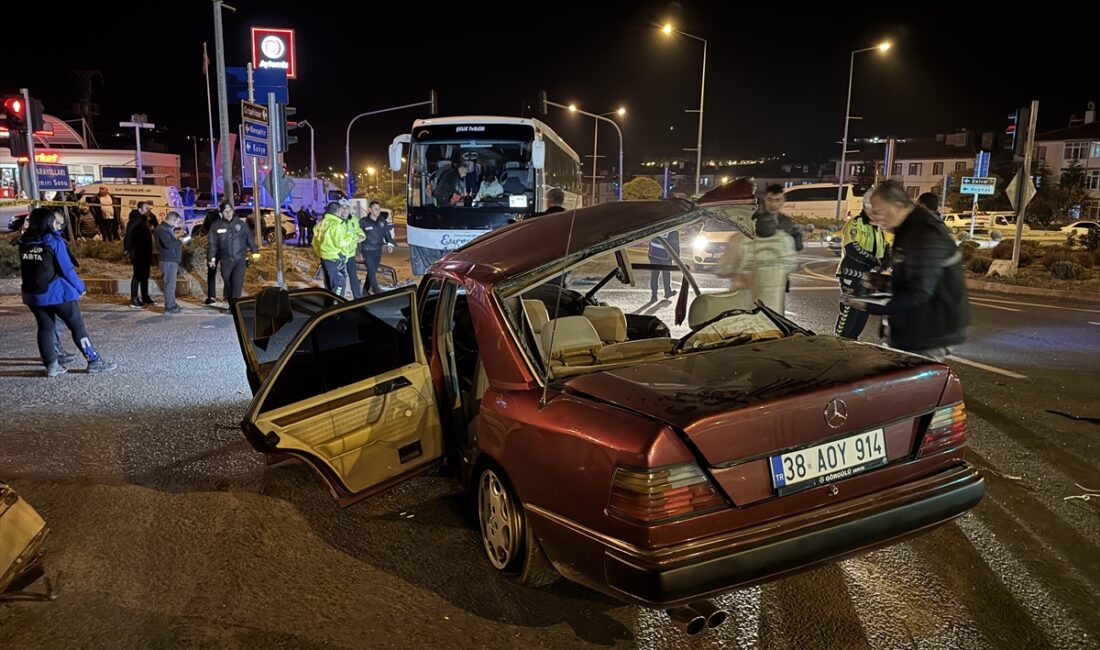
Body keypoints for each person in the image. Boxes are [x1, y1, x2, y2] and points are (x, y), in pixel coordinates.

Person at [844, 180, 969, 361]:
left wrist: (867, 304)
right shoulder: (907, 229)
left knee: (913, 386)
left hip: (931, 332)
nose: (874, 219)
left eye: (878, 212)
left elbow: (919, 292)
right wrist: (883, 282)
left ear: (896, 205)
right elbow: (911, 279)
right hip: (915, 328)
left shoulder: (925, 234)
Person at [18, 207, 116, 377]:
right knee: (78, 327)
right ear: (48, 222)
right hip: (57, 293)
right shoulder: (53, 241)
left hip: (33, 294)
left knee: (45, 328)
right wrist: (81, 287)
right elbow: (67, 269)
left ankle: (52, 366)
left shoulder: (25, 242)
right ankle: (94, 361)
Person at [835, 192, 889, 339]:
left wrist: (886, 260)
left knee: (861, 315)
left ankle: (851, 346)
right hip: (852, 276)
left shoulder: (878, 229)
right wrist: (873, 261)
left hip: (870, 279)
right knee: (848, 315)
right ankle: (839, 346)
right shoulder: (854, 223)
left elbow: (884, 250)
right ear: (866, 206)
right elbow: (852, 248)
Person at [207, 201, 260, 307]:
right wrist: (211, 258)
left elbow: (249, 238)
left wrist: (255, 252)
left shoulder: (240, 224)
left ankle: (235, 307)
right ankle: (229, 298)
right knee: (227, 280)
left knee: (237, 282)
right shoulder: (216, 226)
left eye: (230, 211)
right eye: (225, 211)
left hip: (240, 259)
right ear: (221, 213)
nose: (228, 213)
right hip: (226, 259)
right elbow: (212, 244)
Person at [313, 200, 364, 299]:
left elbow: (315, 242)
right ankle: (336, 307)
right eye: (342, 208)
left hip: (326, 257)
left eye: (346, 208)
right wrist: (352, 236)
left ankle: (331, 305)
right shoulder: (336, 224)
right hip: (335, 257)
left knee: (331, 283)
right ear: (338, 210)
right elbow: (341, 242)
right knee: (339, 283)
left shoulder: (321, 223)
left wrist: (321, 254)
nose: (344, 211)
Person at [359, 200, 397, 296]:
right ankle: (377, 291)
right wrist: (359, 252)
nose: (378, 211)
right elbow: (358, 237)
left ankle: (365, 290)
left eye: (379, 209)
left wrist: (390, 244)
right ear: (370, 209)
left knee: (372, 271)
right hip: (367, 250)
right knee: (371, 271)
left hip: (377, 250)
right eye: (376, 209)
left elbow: (386, 234)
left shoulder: (382, 221)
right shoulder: (363, 222)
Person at [123, 201, 155, 309]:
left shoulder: (143, 220)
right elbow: (128, 236)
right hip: (137, 253)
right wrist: (129, 250)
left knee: (145, 275)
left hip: (145, 252)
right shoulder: (135, 220)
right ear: (140, 209)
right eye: (146, 208)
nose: (149, 210)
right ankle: (134, 299)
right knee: (137, 275)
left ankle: (145, 296)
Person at [155, 211, 186, 314]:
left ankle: (172, 304)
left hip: (171, 260)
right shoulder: (162, 229)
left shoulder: (168, 228)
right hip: (168, 260)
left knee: (171, 284)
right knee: (170, 284)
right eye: (177, 221)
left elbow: (175, 239)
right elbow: (168, 244)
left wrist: (181, 235)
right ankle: (169, 307)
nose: (178, 223)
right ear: (172, 219)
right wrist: (181, 241)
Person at [647, 231, 680, 301]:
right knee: (666, 274)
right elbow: (675, 245)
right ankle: (667, 292)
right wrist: (677, 258)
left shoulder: (657, 225)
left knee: (654, 275)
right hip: (665, 256)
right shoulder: (673, 231)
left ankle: (654, 295)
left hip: (653, 253)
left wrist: (649, 252)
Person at [200, 209, 221, 305]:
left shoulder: (232, 217)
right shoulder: (211, 215)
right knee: (212, 272)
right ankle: (211, 296)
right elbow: (204, 228)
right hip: (214, 249)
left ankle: (229, 296)